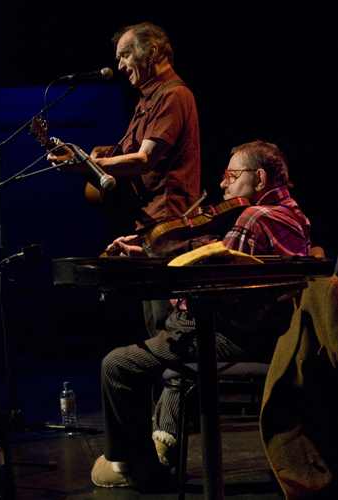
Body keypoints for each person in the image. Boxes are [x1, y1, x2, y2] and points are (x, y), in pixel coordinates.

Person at [90, 140, 311, 490]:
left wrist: (167, 286)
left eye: (230, 175)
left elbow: (219, 291)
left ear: (259, 178)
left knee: (117, 363)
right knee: (172, 363)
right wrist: (149, 255)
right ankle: (157, 444)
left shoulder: (252, 218)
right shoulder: (295, 216)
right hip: (267, 336)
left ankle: (135, 466)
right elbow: (211, 251)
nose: (223, 184)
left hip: (226, 336)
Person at [48, 21, 201, 336]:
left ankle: (180, 386)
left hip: (168, 226)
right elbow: (125, 158)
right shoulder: (147, 101)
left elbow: (144, 159)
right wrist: (85, 160)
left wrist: (86, 162)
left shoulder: (173, 95)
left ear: (152, 51)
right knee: (154, 326)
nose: (119, 66)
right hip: (148, 224)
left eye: (125, 55)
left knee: (168, 331)